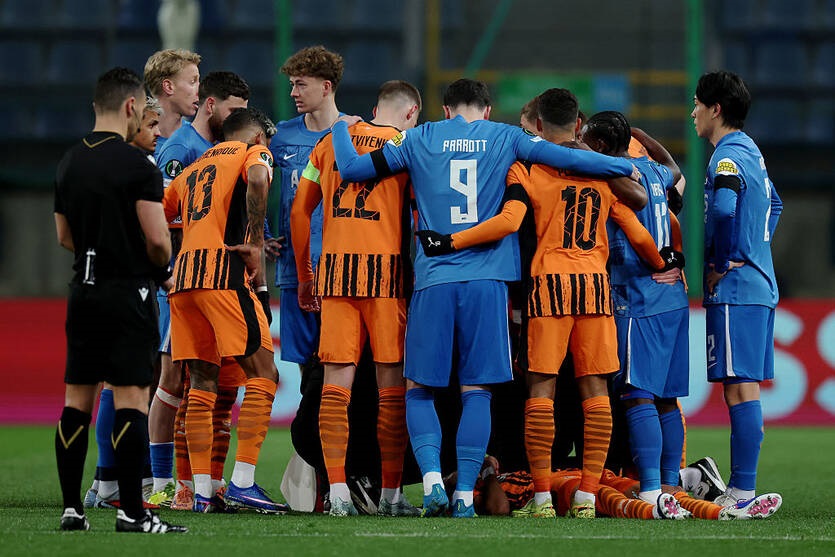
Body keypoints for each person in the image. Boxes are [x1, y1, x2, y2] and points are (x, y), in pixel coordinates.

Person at [331, 79, 645, 518]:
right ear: (488, 109)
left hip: (434, 279)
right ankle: (464, 496)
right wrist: (620, 167)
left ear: (445, 110)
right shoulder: (507, 137)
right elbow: (569, 157)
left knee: (419, 389)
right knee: (477, 392)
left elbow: (350, 169)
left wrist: (341, 126)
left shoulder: (417, 139)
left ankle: (433, 479)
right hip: (489, 282)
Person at [410, 88, 681, 519]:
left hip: (548, 287)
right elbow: (637, 222)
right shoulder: (602, 172)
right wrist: (663, 261)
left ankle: (540, 498)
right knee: (596, 392)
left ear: (537, 126)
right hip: (594, 288)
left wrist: (450, 241)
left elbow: (512, 220)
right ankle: (587, 496)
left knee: (541, 390)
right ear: (578, 124)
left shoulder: (527, 169)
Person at [53, 67, 186, 534]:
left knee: (77, 403)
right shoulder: (138, 166)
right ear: (132, 106)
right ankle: (132, 512)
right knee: (131, 398)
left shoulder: (69, 161)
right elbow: (158, 241)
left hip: (82, 291)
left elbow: (64, 235)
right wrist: (156, 268)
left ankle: (73, 509)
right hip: (128, 292)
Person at [290, 80, 422, 517]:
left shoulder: (329, 143)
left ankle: (339, 494)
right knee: (391, 390)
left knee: (335, 387)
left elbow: (299, 211)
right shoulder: (405, 145)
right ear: (411, 112)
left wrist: (306, 276)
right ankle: (391, 496)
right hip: (385, 278)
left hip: (336, 276)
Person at [162, 107, 285, 514]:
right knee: (264, 374)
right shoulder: (253, 152)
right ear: (259, 136)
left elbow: (156, 214)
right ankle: (243, 483)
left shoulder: (192, 170)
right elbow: (258, 179)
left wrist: (161, 270)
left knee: (201, 383)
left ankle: (202, 492)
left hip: (183, 283)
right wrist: (255, 241)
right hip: (223, 275)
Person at [150, 71, 251, 509]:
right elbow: (162, 218)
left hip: (212, 278)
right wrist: (170, 271)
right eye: (234, 110)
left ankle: (204, 482)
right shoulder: (181, 149)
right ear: (212, 104)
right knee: (174, 381)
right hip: (183, 278)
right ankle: (162, 483)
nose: (238, 118)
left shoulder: (217, 149)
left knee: (215, 385)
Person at [581, 110, 691, 507]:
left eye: (586, 139)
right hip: (674, 298)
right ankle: (671, 486)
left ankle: (649, 489)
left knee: (637, 395)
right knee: (666, 399)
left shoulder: (616, 177)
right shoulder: (656, 171)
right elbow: (675, 167)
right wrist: (640, 133)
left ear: (599, 146)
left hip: (638, 293)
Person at [691, 71, 783, 507]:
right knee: (745, 386)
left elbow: (725, 210)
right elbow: (775, 203)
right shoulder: (752, 152)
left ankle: (742, 491)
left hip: (736, 288)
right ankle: (739, 488)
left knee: (739, 389)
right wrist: (757, 249)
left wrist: (723, 260)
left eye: (696, 104)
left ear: (715, 109)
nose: (692, 112)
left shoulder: (725, 156)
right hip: (759, 284)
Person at [465, 456, 780, 520]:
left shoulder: (506, 472)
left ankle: (725, 511)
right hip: (555, 488)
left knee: (645, 488)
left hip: (583, 473)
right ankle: (654, 513)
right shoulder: (480, 491)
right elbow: (498, 509)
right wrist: (488, 473)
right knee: (600, 496)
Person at [143, 49, 200, 149]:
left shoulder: (199, 138)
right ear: (169, 87)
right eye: (192, 82)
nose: (200, 90)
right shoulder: (136, 144)